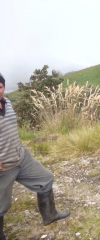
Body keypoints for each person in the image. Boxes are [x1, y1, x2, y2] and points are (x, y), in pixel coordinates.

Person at [0, 73, 70, 240]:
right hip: (4, 167)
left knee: (46, 179)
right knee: (1, 205)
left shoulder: (7, 103)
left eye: (0, 87)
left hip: (21, 157)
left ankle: (49, 215)